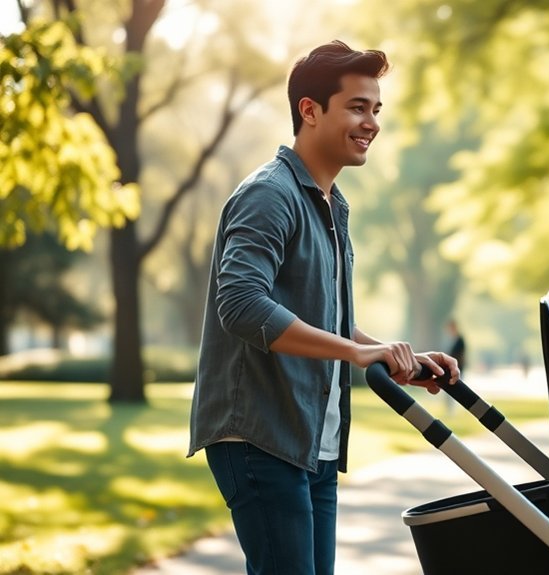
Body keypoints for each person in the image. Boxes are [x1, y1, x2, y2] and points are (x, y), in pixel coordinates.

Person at [187, 40, 459, 575]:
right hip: (260, 437)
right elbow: (240, 305)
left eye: (376, 109)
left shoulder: (331, 205)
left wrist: (386, 354)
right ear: (309, 110)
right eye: (358, 107)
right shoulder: (270, 195)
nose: (372, 123)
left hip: (313, 442)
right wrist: (356, 355)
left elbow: (326, 320)